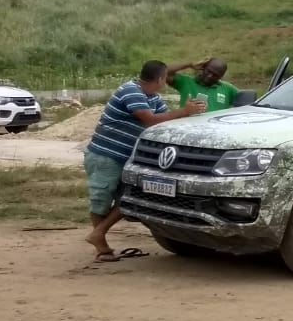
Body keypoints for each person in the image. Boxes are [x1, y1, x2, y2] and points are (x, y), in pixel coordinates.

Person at [84, 60, 206, 261]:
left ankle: (98, 234)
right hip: (106, 155)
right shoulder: (131, 91)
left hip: (128, 158)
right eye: (165, 78)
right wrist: (184, 111)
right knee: (101, 200)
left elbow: (164, 120)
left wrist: (190, 115)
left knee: (129, 198)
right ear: (160, 79)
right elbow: (149, 119)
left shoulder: (153, 97)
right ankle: (101, 246)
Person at [167, 57, 239, 113]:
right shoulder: (186, 82)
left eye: (215, 75)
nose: (209, 76)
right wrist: (189, 65)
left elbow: (244, 98)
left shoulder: (227, 88)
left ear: (221, 76)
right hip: (188, 126)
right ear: (203, 67)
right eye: (208, 71)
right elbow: (164, 72)